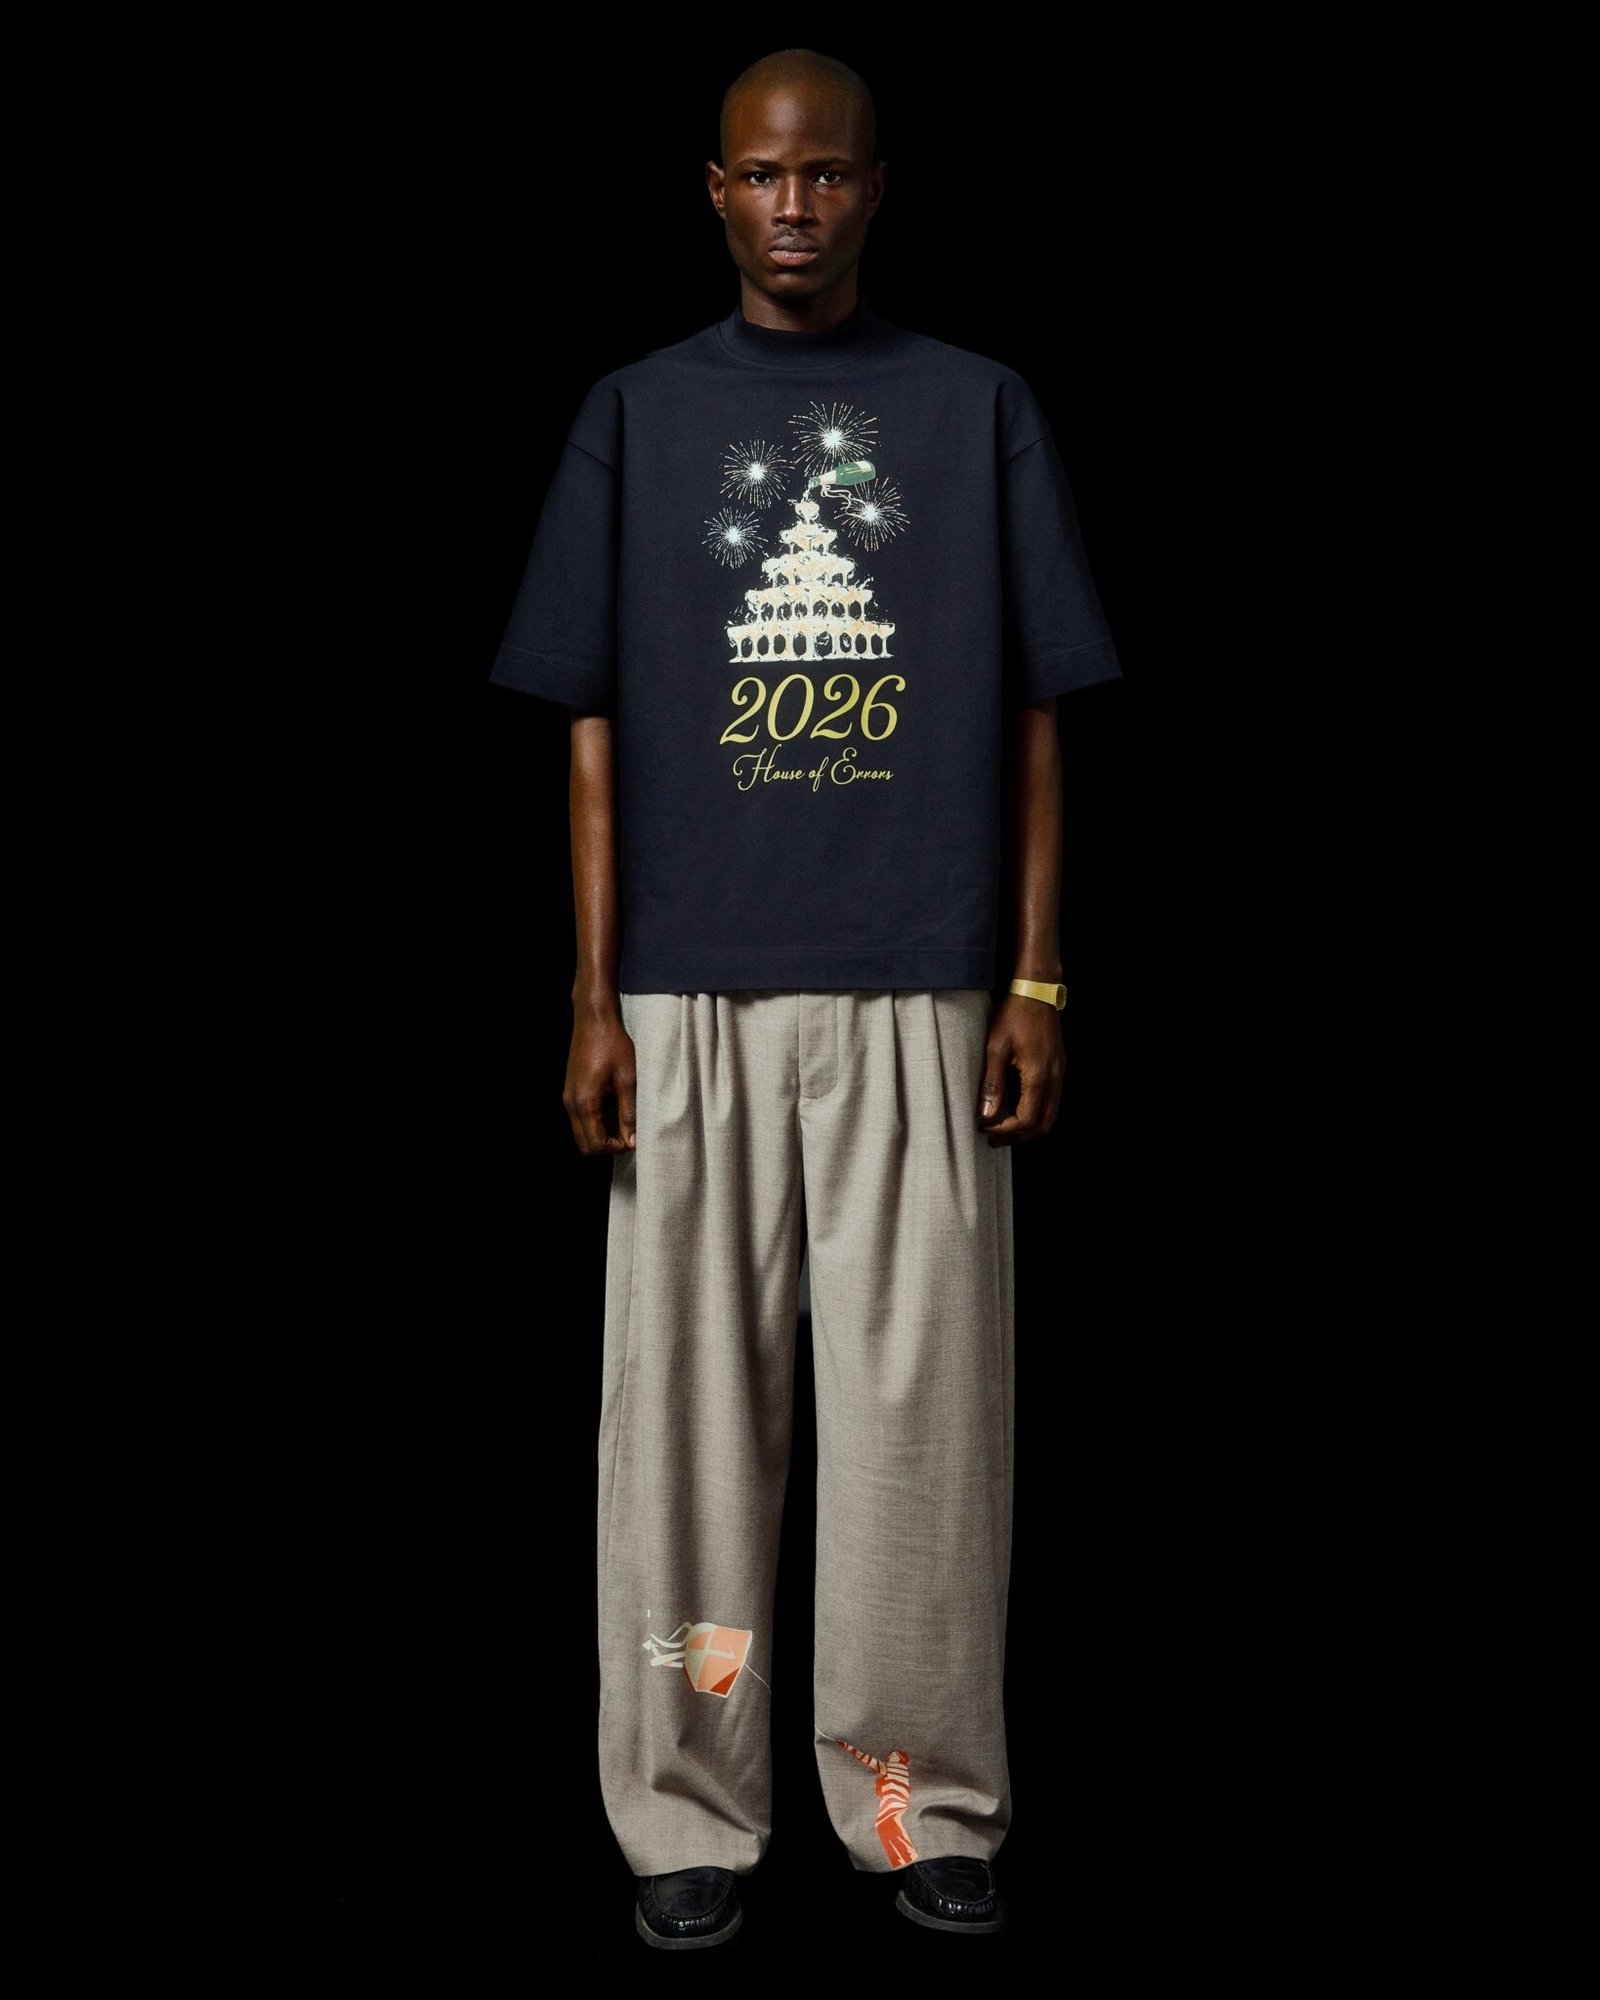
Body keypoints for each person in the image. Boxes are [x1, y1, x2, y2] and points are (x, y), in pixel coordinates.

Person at [488, 47, 1121, 1949]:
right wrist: (592, 996)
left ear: (873, 189)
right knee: (682, 1433)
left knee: (926, 1434)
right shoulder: (637, 413)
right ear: (714, 191)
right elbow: (590, 725)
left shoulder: (974, 407)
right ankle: (686, 1809)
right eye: (762, 175)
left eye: (826, 175)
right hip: (689, 989)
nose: (793, 205)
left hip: (922, 981)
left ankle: (916, 1808)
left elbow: (1037, 712)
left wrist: (1035, 975)